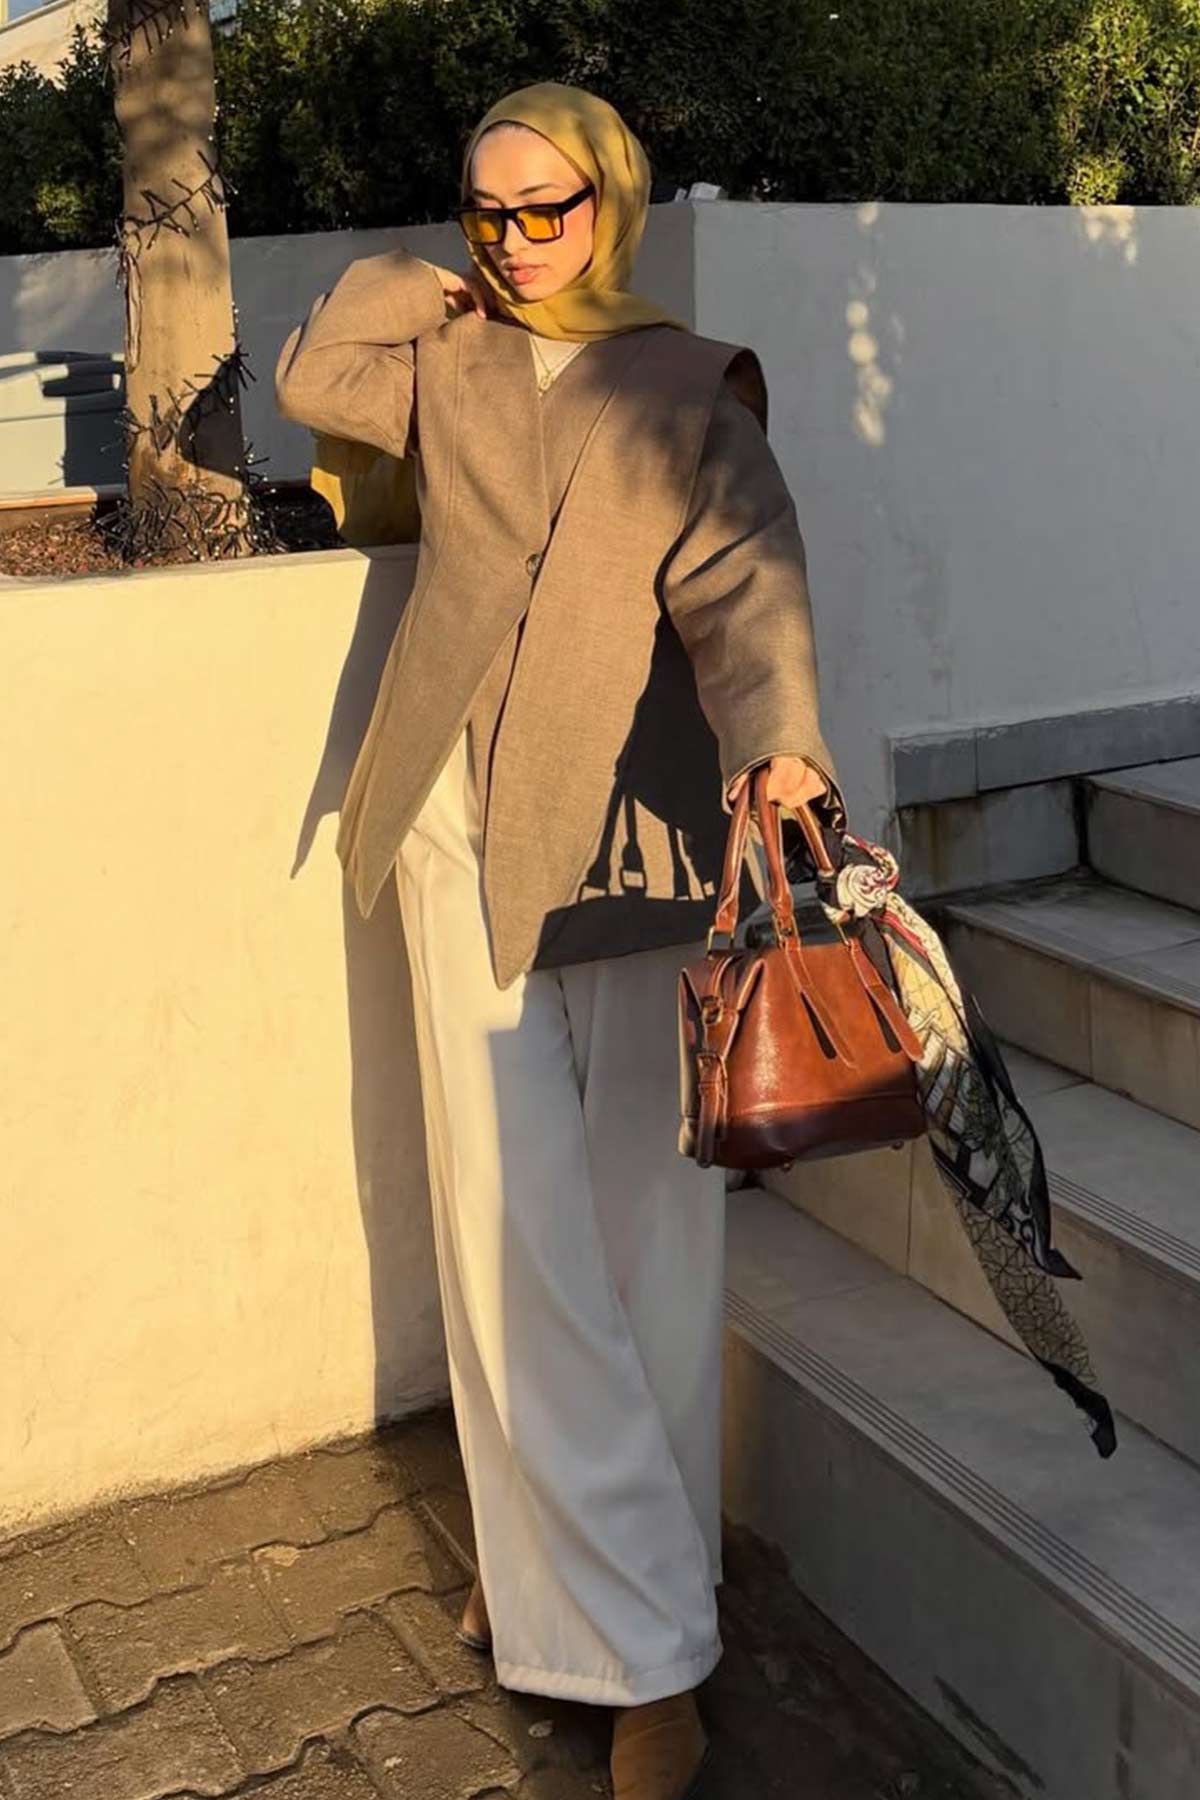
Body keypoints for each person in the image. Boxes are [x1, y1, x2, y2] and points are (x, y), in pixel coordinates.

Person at [276, 80, 845, 1800]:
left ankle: (598, 1592)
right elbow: (311, 374)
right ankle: (629, 1635)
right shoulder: (447, 357)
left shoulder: (687, 382)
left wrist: (782, 742)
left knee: (644, 1234)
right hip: (455, 820)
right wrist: (420, 281)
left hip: (638, 827)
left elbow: (747, 583)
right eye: (491, 211)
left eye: (551, 208)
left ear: (614, 199)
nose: (521, 240)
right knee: (503, 1225)